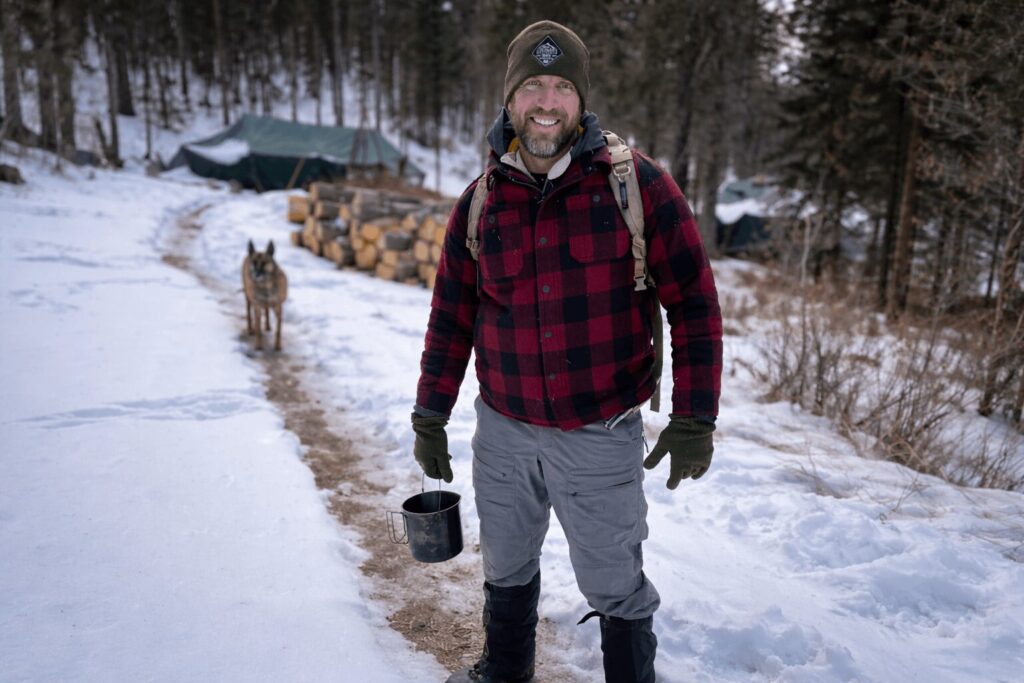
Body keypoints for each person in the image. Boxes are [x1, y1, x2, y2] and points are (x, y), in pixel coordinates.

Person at [411, 20, 722, 683]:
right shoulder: (480, 203)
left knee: (615, 580)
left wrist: (695, 416)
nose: (546, 102)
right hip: (504, 430)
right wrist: (429, 415)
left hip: (600, 432)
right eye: (532, 86)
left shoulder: (635, 186)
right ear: (509, 99)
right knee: (505, 562)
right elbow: (450, 320)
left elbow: (693, 300)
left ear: (581, 100)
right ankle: (504, 670)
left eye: (560, 86)